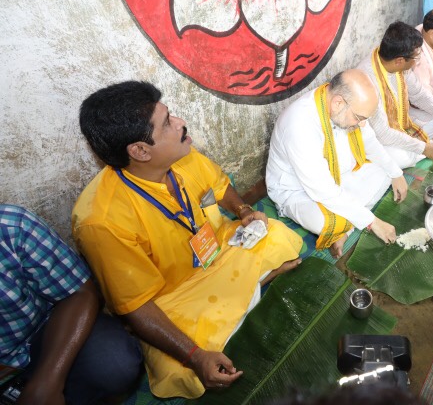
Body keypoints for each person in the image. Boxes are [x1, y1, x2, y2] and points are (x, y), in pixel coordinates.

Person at [72, 81, 302, 398]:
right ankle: (255, 287)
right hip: (172, 298)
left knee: (278, 235)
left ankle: (247, 296)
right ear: (139, 151)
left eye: (171, 116)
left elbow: (220, 188)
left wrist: (245, 211)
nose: (180, 123)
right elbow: (138, 309)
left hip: (220, 252)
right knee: (178, 369)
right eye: (167, 123)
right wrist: (195, 356)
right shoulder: (101, 220)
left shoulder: (182, 154)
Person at [0, 204, 142, 405]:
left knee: (113, 362)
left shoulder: (9, 226)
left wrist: (47, 383)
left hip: (43, 337)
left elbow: (80, 292)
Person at [266, 70, 408, 260]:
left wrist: (395, 173)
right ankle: (349, 223)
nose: (362, 125)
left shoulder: (341, 106)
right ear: (338, 103)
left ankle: (346, 229)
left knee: (385, 173)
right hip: (297, 191)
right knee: (324, 221)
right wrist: (373, 222)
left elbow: (370, 142)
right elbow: (322, 190)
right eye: (359, 118)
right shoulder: (299, 125)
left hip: (336, 177)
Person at [357, 22, 433, 169]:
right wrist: (424, 148)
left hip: (400, 126)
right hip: (378, 138)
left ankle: (431, 141)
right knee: (399, 159)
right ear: (400, 61)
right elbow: (383, 133)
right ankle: (432, 142)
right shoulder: (368, 81)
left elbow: (419, 94)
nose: (416, 62)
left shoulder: (396, 64)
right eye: (416, 58)